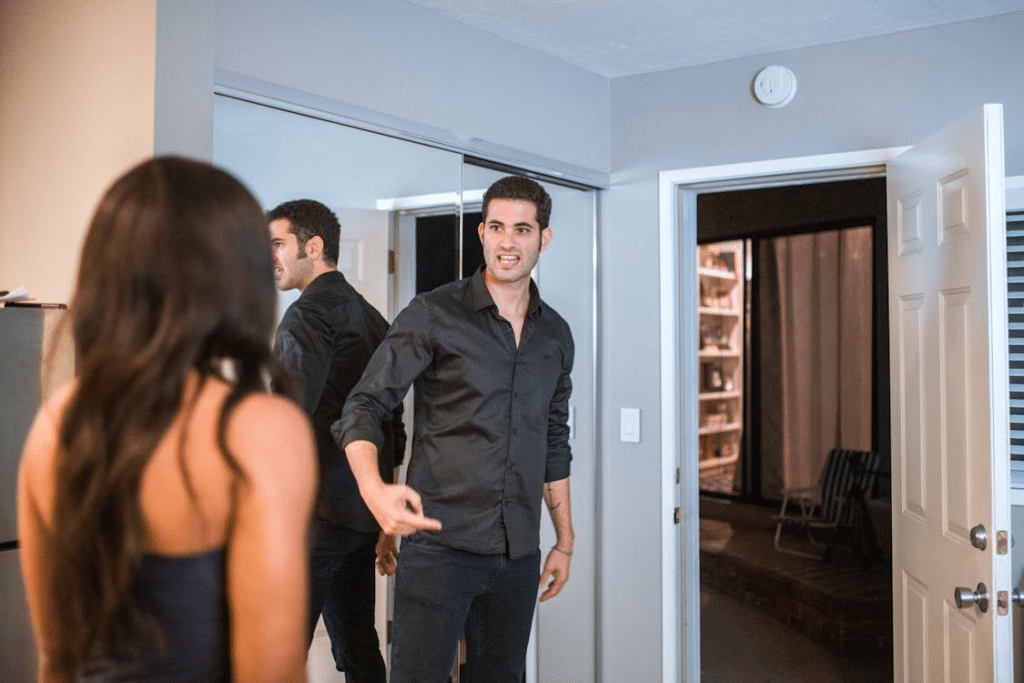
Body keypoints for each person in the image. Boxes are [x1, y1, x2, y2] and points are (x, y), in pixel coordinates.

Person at [16, 156, 317, 683]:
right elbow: (272, 674)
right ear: (236, 275)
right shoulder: (257, 431)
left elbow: (56, 662)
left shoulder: (56, 423)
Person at [337, 175, 576, 683]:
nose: (507, 242)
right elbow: (364, 403)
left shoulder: (555, 334)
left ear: (544, 237)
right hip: (439, 547)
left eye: (522, 229)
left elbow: (555, 439)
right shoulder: (433, 314)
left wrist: (565, 540)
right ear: (481, 233)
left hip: (518, 553)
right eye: (496, 227)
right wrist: (374, 490)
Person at [267, 199, 405, 682]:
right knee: (359, 648)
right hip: (360, 517)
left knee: (276, 653)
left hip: (315, 516)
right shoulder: (373, 319)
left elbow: (287, 421)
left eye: (278, 244)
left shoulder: (304, 318)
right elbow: (393, 425)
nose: (272, 257)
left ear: (314, 246)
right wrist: (383, 518)